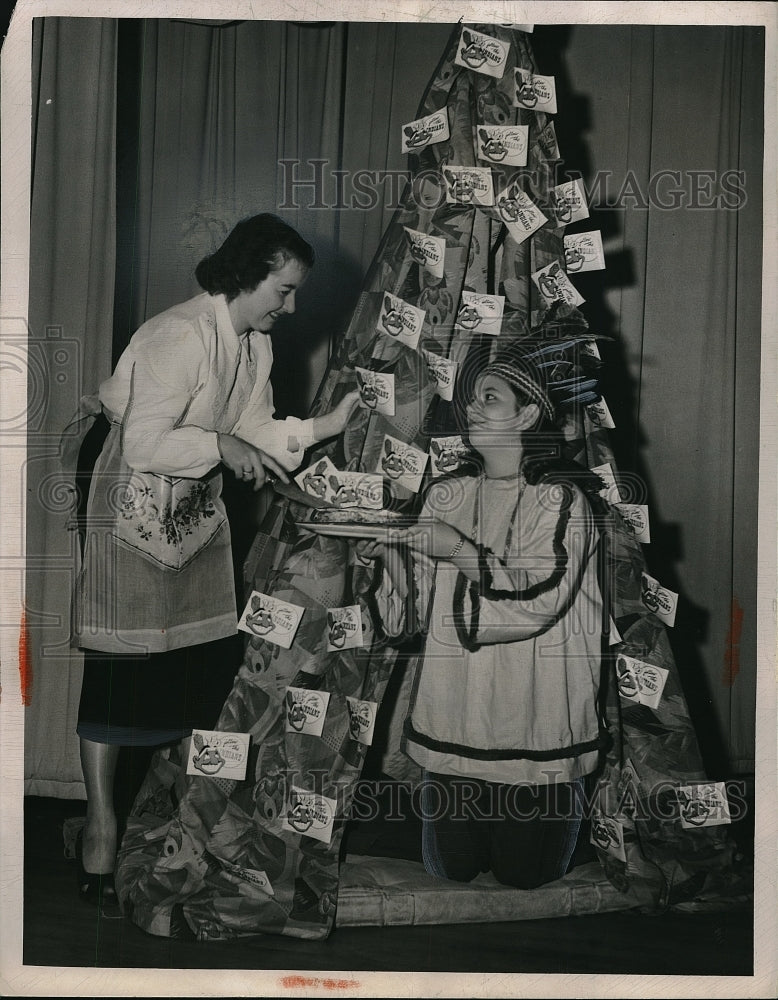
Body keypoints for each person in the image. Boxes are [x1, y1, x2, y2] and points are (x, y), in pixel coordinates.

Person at [67, 213, 360, 908]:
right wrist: (223, 447)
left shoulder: (252, 343)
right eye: (283, 291)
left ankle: (180, 820)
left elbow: (254, 426)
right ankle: (101, 827)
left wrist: (325, 427)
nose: (289, 307)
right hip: (129, 484)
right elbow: (144, 444)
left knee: (197, 652)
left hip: (190, 494)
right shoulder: (177, 335)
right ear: (245, 274)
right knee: (124, 660)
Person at [356, 350, 607, 889]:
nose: (470, 406)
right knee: (451, 870)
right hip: (457, 719)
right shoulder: (448, 493)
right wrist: (392, 558)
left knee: (525, 878)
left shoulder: (561, 499)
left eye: (489, 397)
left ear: (527, 415)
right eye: (470, 397)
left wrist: (457, 549)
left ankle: (599, 819)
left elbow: (536, 601)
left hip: (535, 721)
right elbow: (415, 609)